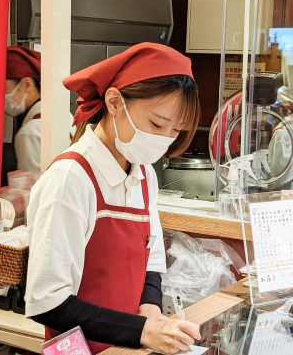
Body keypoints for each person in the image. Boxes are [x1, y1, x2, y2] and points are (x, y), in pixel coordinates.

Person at [25, 43, 201, 355]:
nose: (163, 140)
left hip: (125, 347)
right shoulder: (70, 178)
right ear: (115, 101)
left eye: (175, 131)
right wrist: (142, 331)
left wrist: (151, 311)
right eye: (157, 125)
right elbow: (47, 301)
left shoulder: (145, 175)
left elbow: (151, 261)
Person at [5, 46, 42, 172]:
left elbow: (31, 189)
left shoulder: (30, 132)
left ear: (27, 85)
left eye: (4, 89)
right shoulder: (64, 116)